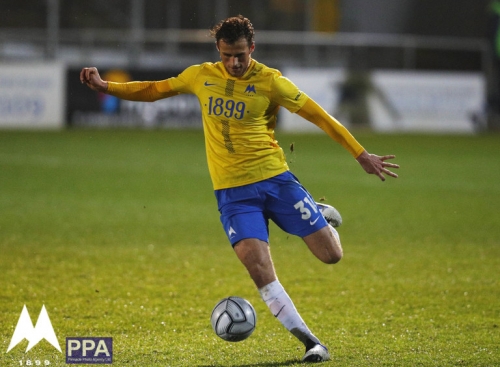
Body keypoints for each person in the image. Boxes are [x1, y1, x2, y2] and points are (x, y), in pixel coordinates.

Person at [80, 15, 399, 363]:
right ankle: (311, 343)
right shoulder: (200, 75)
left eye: (241, 56)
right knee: (258, 269)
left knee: (331, 256)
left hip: (276, 181)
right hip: (232, 194)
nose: (234, 63)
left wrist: (360, 154)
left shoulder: (271, 82)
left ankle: (321, 214)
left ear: (252, 49)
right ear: (218, 50)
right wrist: (105, 86)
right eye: (227, 55)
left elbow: (319, 115)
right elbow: (155, 89)